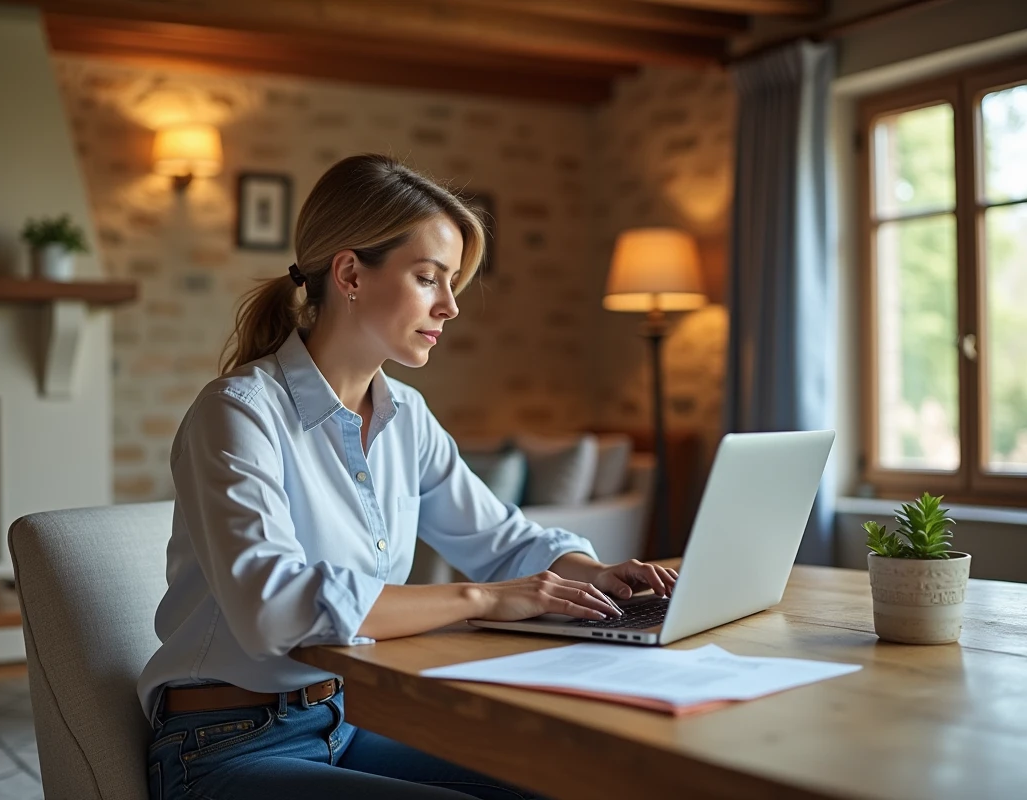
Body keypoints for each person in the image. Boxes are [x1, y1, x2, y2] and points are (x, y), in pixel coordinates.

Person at [139, 153, 679, 800]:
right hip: (223, 746)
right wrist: (482, 599)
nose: (450, 307)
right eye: (428, 278)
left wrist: (591, 573)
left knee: (572, 780)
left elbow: (501, 540)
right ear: (350, 274)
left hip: (350, 717)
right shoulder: (237, 413)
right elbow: (273, 609)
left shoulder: (407, 417)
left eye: (452, 284)